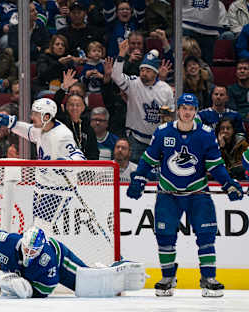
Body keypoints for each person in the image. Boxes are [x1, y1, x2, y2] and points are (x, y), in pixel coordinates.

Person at [126, 93, 244, 298]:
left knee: (206, 236)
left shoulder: (206, 134)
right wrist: (138, 178)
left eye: (191, 108)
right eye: (183, 108)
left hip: (198, 193)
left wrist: (228, 183)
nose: (187, 112)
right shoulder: (163, 132)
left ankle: (208, 278)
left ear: (195, 111)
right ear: (177, 110)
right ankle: (168, 277)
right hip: (168, 193)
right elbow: (148, 158)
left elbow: (215, 165)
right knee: (164, 236)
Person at [0, 227, 146, 298]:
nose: (29, 253)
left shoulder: (46, 258)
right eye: (27, 248)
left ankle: (116, 267)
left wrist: (28, 289)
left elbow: (47, 289)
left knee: (88, 283)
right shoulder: (6, 242)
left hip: (61, 261)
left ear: (40, 249)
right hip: (30, 273)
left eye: (34, 250)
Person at [111, 40, 174, 163]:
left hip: (157, 141)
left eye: (148, 71)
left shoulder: (166, 89)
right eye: (142, 70)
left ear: (155, 73)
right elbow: (116, 76)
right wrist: (121, 55)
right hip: (136, 139)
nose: (144, 73)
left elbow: (170, 116)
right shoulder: (134, 83)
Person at [0, 97, 85, 160]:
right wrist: (11, 123)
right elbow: (28, 130)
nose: (32, 117)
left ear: (47, 117)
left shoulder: (62, 134)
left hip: (61, 187)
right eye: (33, 113)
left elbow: (79, 157)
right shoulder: (40, 129)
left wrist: (66, 162)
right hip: (42, 185)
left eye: (36, 114)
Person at [56, 94, 99, 160]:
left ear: (83, 108)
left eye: (78, 105)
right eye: (71, 105)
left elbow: (94, 152)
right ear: (66, 107)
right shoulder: (61, 125)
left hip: (85, 166)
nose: (74, 108)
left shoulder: (88, 128)